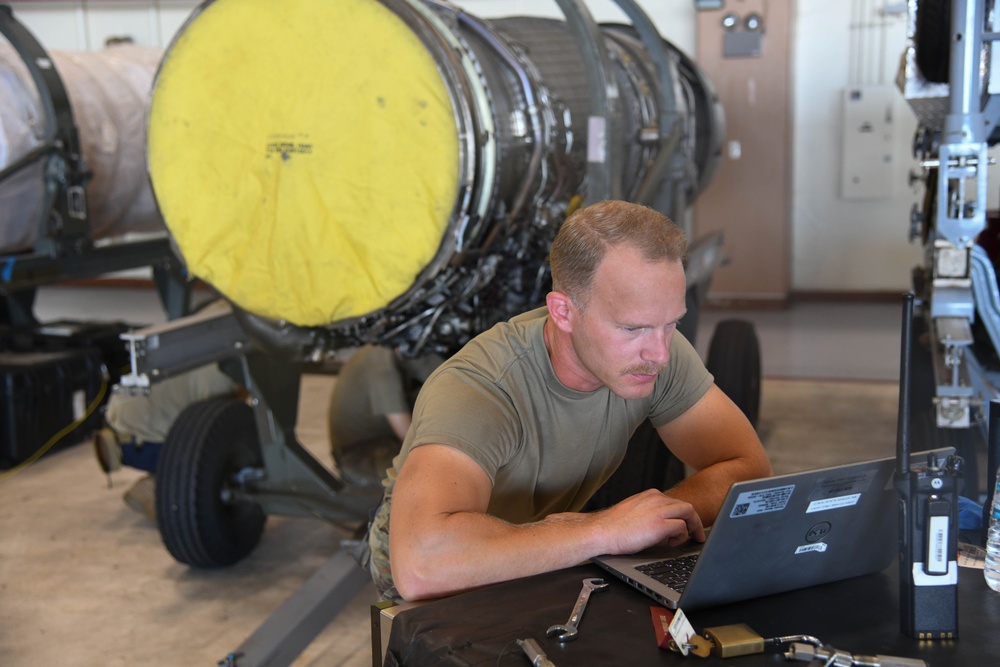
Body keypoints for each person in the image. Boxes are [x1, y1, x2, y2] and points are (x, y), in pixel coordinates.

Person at [366, 199, 772, 602]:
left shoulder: (652, 354)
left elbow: (748, 467)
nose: (660, 354)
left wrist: (655, 519)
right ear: (563, 312)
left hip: (552, 548)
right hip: (433, 576)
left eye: (672, 324)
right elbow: (420, 565)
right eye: (632, 328)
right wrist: (605, 530)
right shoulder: (481, 388)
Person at [93, 363, 243, 519]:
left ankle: (161, 476)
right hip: (135, 444)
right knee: (223, 460)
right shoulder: (220, 380)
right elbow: (218, 431)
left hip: (115, 421)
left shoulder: (207, 355)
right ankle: (161, 489)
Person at [327, 345, 443, 488]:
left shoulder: (407, 349)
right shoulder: (380, 365)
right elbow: (410, 439)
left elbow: (448, 380)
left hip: (387, 439)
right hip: (358, 455)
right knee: (436, 470)